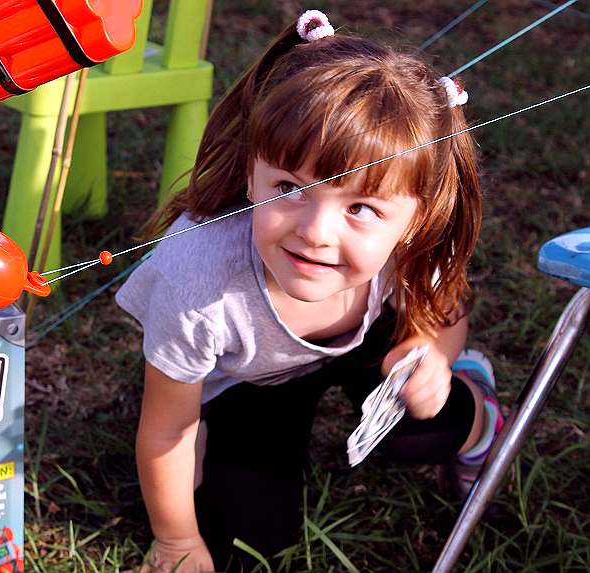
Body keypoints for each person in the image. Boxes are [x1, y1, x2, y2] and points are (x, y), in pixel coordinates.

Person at [115, 9, 505, 573]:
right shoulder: (194, 278)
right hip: (250, 383)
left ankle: (483, 415)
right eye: (290, 188)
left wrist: (435, 354)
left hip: (371, 344)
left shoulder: (412, 247)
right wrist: (175, 539)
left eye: (361, 208)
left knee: (426, 428)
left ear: (417, 219)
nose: (316, 232)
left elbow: (445, 308)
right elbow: (167, 427)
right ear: (252, 174)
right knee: (244, 551)